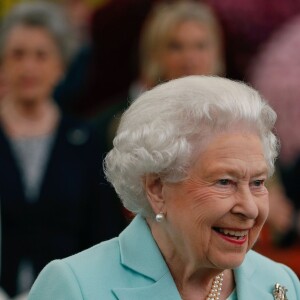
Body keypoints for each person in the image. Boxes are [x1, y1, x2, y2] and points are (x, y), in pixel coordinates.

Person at [28, 76, 300, 300]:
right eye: (224, 182)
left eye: (257, 183)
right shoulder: (75, 287)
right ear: (157, 189)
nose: (250, 208)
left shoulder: (278, 283)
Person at [0, 2, 125, 298]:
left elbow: (103, 233)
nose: (29, 67)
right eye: (18, 54)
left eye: (41, 55)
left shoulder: (83, 139)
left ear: (61, 66)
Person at [94, 0, 225, 153]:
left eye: (200, 46)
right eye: (176, 46)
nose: (190, 59)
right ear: (154, 53)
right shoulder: (115, 123)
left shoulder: (233, 117)